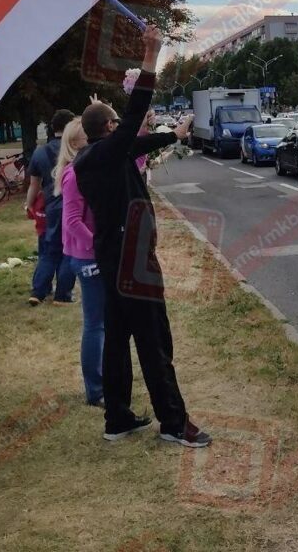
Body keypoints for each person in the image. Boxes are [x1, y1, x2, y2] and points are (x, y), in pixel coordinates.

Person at [75, 25, 211, 447]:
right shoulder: (106, 153)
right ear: (109, 127)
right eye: (117, 124)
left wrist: (173, 135)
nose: (124, 128)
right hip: (132, 262)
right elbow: (135, 118)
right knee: (154, 340)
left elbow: (138, 143)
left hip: (112, 257)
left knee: (117, 340)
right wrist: (151, 55)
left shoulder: (95, 157)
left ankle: (117, 418)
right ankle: (174, 422)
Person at [53, 117, 103, 407]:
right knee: (95, 324)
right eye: (89, 137)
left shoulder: (83, 169)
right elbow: (72, 221)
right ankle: (95, 390)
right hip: (87, 258)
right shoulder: (74, 175)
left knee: (101, 323)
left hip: (88, 255)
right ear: (75, 143)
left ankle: (100, 383)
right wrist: (97, 245)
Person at [26, 109, 76, 306]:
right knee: (70, 250)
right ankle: (63, 295)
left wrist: (29, 205)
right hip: (73, 206)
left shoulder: (40, 152)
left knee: (49, 250)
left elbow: (34, 185)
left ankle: (38, 292)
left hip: (51, 208)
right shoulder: (75, 150)